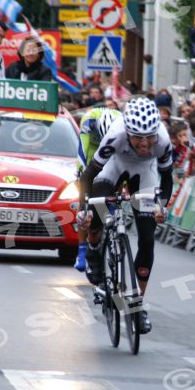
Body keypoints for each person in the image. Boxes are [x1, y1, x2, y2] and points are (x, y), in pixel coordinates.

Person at [78, 97, 174, 334]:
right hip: (115, 166)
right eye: (138, 138)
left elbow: (168, 178)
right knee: (98, 208)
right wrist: (84, 209)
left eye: (149, 137)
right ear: (128, 132)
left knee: (147, 239)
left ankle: (136, 306)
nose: (144, 144)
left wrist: (162, 205)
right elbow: (88, 175)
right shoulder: (116, 135)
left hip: (145, 173)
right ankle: (93, 249)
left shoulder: (162, 141)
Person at [74, 107, 122, 271]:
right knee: (84, 200)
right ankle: (82, 250)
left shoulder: (122, 125)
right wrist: (82, 175)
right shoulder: (88, 120)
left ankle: (112, 213)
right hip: (93, 153)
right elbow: (82, 151)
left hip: (113, 153)